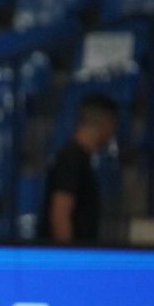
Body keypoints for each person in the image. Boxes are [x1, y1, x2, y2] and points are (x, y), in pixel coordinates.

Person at [39, 93, 119, 245]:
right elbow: (60, 214)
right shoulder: (71, 159)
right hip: (70, 260)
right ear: (106, 124)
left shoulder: (80, 159)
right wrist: (69, 258)